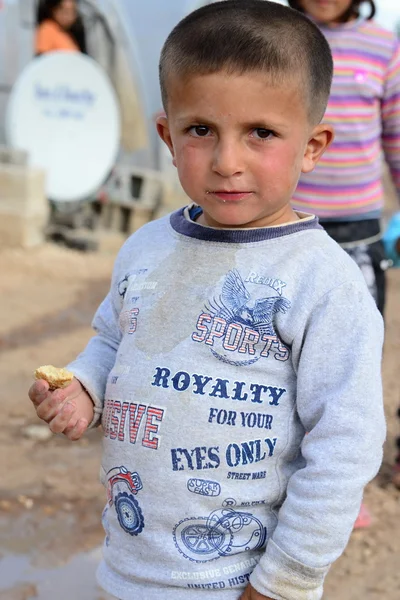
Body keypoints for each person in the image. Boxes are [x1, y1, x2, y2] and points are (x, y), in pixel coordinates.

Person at [28, 2, 386, 599]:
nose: (227, 162)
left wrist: (284, 581)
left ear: (312, 146)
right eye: (201, 131)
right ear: (168, 135)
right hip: (128, 569)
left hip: (239, 582)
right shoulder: (147, 247)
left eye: (262, 134)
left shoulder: (324, 281)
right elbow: (116, 340)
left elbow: (344, 447)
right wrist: (84, 386)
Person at [288, 0, 400, 493]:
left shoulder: (383, 45)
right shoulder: (280, 37)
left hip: (358, 229)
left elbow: (396, 135)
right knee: (282, 350)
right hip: (285, 222)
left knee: (348, 356)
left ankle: (338, 484)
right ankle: (281, 470)